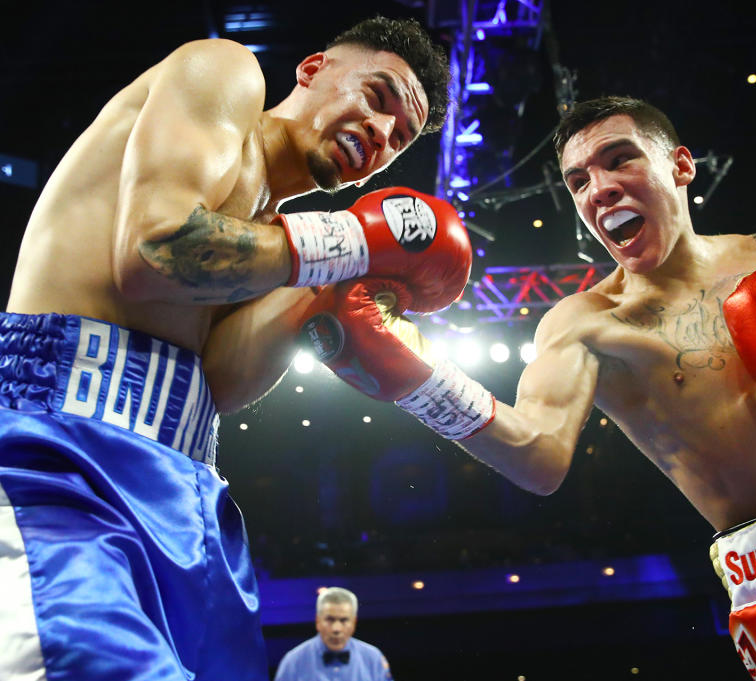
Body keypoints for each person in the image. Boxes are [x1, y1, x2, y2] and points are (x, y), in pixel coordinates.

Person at [305, 96, 756, 681]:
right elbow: (537, 456)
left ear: (680, 165)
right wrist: (415, 377)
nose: (600, 189)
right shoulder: (584, 324)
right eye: (579, 180)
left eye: (619, 160)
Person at [0, 15, 472, 681]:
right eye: (377, 97)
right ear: (312, 69)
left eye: (400, 139)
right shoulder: (222, 71)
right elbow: (155, 249)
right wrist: (347, 243)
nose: (381, 135)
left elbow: (219, 380)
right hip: (63, 454)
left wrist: (330, 290)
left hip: (181, 489)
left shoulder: (275, 241)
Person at [274, 587, 392, 681]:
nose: (336, 629)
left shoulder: (373, 658)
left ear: (354, 622)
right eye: (330, 620)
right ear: (318, 621)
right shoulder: (293, 662)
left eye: (344, 620)